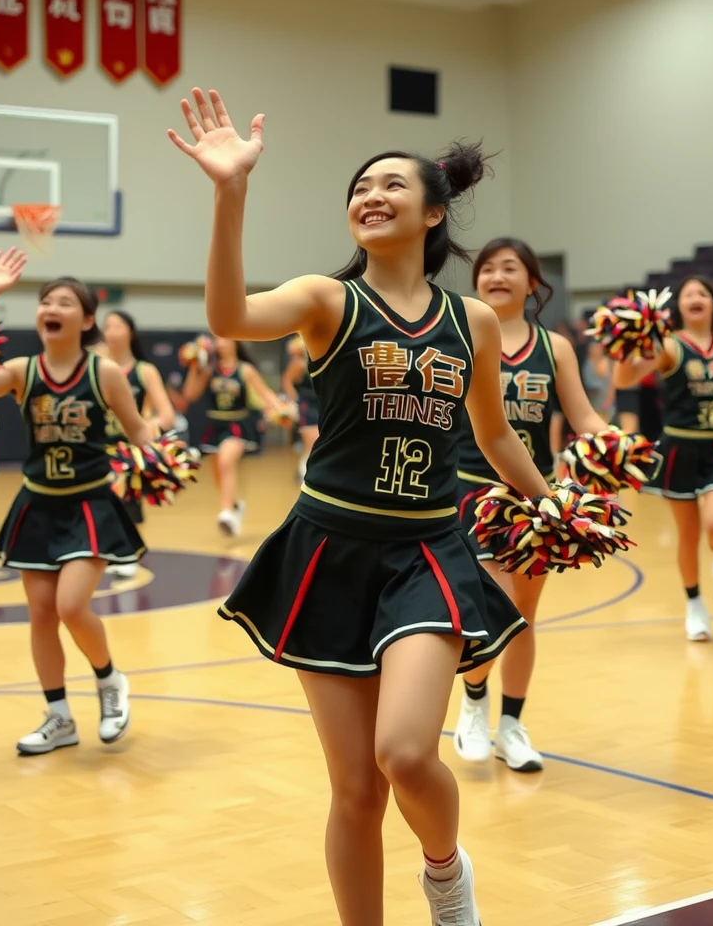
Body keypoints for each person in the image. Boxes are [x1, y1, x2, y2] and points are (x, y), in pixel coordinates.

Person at [168, 87, 561, 925]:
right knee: (353, 788)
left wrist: (554, 502)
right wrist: (229, 190)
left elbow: (495, 440)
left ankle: (446, 873)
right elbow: (229, 315)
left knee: (406, 753)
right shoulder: (326, 299)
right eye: (359, 187)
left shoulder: (478, 324)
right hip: (327, 550)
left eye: (391, 184)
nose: (369, 195)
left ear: (432, 213)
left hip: (426, 554)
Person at [0, 250, 162, 755]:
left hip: (90, 506)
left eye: (64, 301)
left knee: (70, 605)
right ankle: (58, 716)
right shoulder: (23, 370)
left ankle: (110, 681)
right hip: (37, 505)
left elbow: (138, 431)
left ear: (85, 320)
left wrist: (165, 455)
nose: (51, 307)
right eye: (45, 301)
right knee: (41, 613)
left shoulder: (104, 373)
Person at [451, 238, 609, 773]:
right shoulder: (461, 334)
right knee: (490, 604)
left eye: (510, 267)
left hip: (535, 498)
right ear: (476, 282)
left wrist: (615, 443)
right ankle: (473, 702)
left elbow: (583, 417)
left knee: (522, 615)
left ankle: (512, 725)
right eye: (488, 267)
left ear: (533, 282)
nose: (498, 275)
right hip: (473, 490)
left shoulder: (555, 347)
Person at [613, 278, 713, 641]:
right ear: (678, 307)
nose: (695, 298)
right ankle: (694, 604)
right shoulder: (669, 346)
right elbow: (624, 379)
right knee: (689, 533)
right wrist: (624, 345)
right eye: (688, 294)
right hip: (678, 449)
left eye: (703, 293)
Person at [97, 310, 176, 576]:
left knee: (125, 497)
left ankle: (129, 552)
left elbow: (167, 415)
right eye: (107, 326)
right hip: (97, 445)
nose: (112, 331)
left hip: (129, 448)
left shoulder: (144, 370)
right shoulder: (96, 365)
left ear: (130, 331)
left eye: (118, 325)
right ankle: (110, 550)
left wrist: (150, 426)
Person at [177, 336, 279, 536]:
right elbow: (190, 395)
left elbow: (266, 394)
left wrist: (281, 408)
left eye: (224, 339)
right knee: (219, 473)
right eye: (216, 339)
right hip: (215, 424)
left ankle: (226, 512)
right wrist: (194, 366)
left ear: (235, 342)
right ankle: (234, 505)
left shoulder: (245, 370)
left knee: (226, 460)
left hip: (237, 424)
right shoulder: (209, 370)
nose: (219, 343)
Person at [282, 334, 320, 481]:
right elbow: (286, 381)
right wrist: (294, 401)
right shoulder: (299, 364)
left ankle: (308, 471)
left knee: (319, 442)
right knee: (312, 441)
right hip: (307, 405)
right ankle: (305, 474)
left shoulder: (320, 360)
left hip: (321, 404)